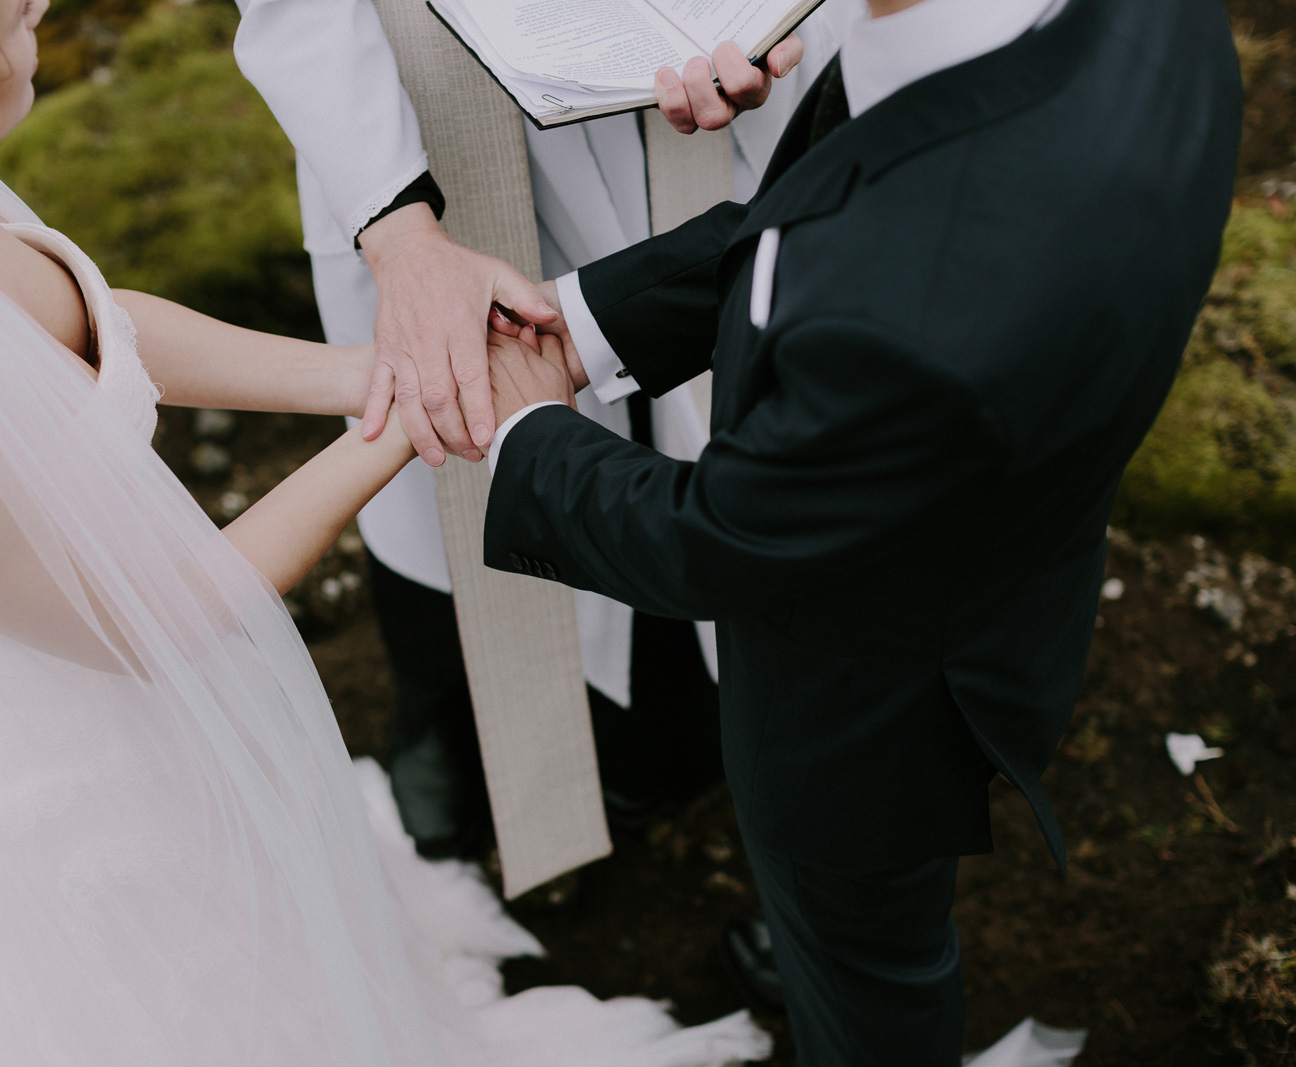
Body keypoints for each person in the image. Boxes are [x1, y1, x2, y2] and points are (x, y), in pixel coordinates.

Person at [0, 1, 773, 1063]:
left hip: (126, 662)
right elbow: (170, 613)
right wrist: (420, 407)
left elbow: (89, 321)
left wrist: (380, 366)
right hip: (83, 746)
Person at [478, 0, 1241, 1063]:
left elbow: (717, 535)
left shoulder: (918, 313)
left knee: (865, 959)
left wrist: (524, 431)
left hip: (862, 703)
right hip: (1007, 546)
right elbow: (828, 227)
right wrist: (593, 320)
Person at [233, 0, 858, 870]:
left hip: (677, 76)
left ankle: (660, 714)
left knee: (690, 378)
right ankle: (442, 709)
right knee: (439, 430)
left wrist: (770, 20)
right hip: (418, 93)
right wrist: (401, 232)